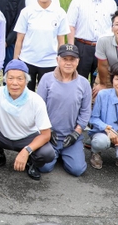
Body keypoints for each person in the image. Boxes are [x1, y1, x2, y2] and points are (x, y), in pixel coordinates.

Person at [0, 60, 54, 181]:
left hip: (27, 137)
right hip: (2, 134)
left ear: (26, 81)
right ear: (5, 79)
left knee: (47, 153)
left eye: (20, 79)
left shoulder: (36, 100)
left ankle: (30, 161)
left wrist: (27, 150)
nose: (15, 83)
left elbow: (46, 135)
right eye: (10, 78)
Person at [37, 44, 91, 177]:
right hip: (49, 135)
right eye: (64, 59)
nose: (68, 63)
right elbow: (39, 108)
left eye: (72, 59)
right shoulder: (46, 79)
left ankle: (67, 153)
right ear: (57, 60)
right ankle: (56, 154)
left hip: (71, 135)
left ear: (77, 61)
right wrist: (48, 130)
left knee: (77, 170)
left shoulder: (84, 83)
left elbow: (85, 112)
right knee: (44, 168)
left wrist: (76, 133)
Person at [13, 0, 70, 91]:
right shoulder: (27, 12)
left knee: (49, 94)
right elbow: (19, 40)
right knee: (26, 93)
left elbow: (61, 41)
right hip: (28, 60)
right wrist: (15, 63)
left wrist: (61, 62)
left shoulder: (59, 13)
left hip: (50, 62)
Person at [66, 0, 117, 85]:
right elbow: (70, 26)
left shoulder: (111, 3)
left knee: (100, 82)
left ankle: (96, 103)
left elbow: (112, 28)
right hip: (82, 46)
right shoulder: (78, 1)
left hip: (103, 48)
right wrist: (71, 48)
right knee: (78, 81)